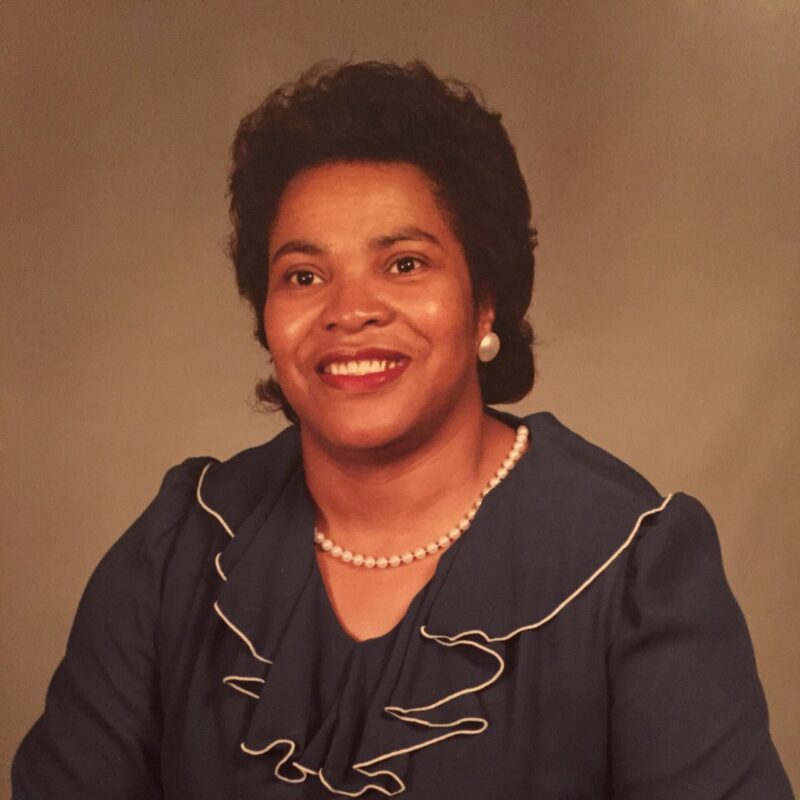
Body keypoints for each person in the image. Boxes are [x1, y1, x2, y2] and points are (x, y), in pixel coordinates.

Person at [12, 61, 793, 799]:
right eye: (304, 276)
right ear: (267, 317)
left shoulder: (633, 569)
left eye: (405, 264)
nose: (349, 311)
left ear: (485, 302)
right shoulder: (180, 547)